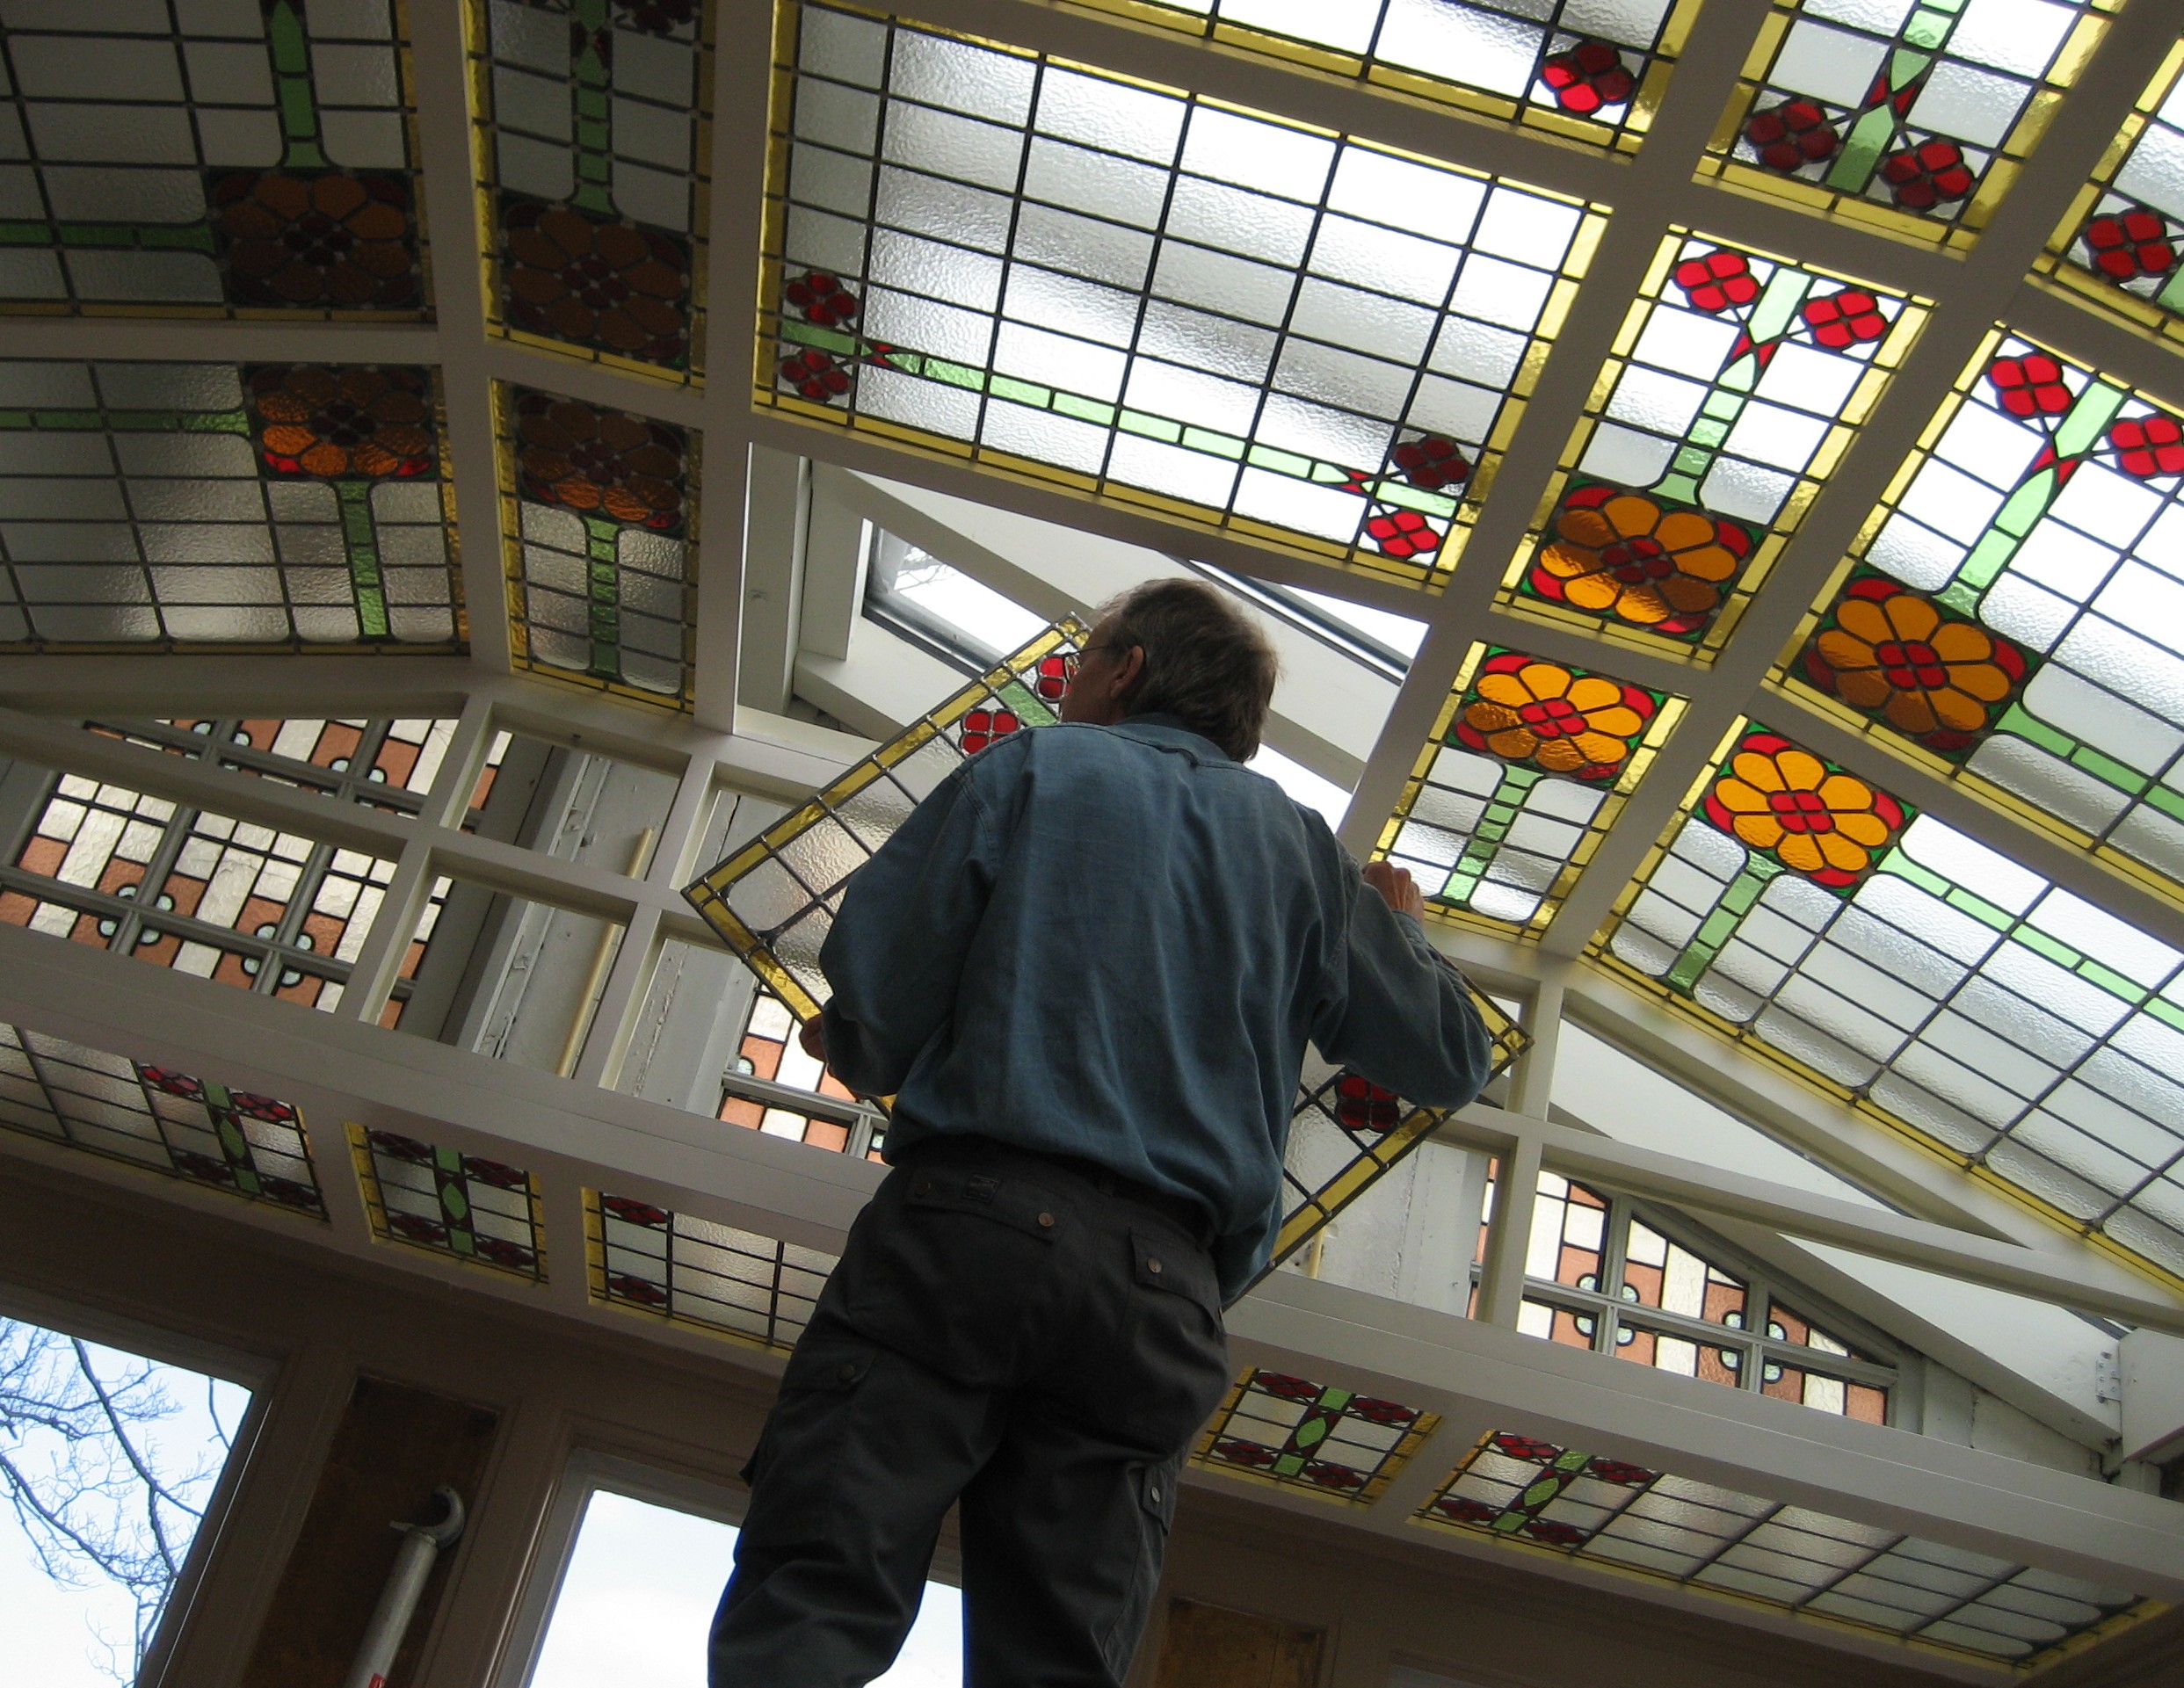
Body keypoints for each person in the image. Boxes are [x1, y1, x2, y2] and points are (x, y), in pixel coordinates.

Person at [709, 578, 1497, 1688]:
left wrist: (863, 1046)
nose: (1068, 686)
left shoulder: (1030, 767)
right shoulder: (1303, 852)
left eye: (1082, 664)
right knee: (1059, 1660)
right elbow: (1450, 1058)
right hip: (1158, 1296)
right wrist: (1400, 937)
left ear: (1126, 669)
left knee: (816, 1591)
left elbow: (879, 996)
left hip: (963, 1234)